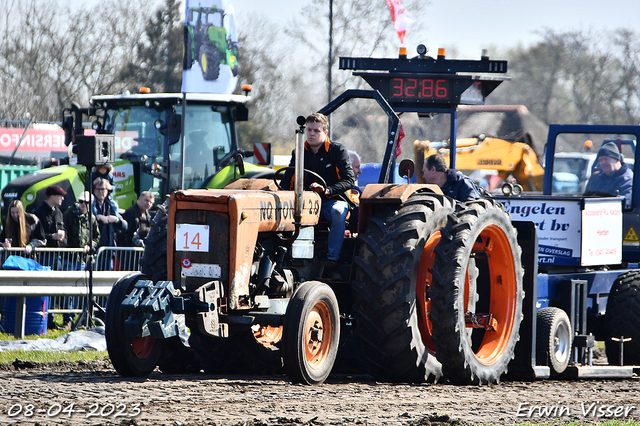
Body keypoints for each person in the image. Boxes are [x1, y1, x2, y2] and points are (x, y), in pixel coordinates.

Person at [281, 113, 355, 262]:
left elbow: (349, 179)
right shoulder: (299, 152)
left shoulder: (337, 150)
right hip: (304, 201)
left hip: (330, 200)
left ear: (325, 132)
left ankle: (332, 257)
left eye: (316, 131)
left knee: (338, 211)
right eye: (309, 130)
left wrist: (327, 190)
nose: (312, 134)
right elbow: (287, 179)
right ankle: (285, 254)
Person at [584, 141, 633, 207]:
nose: (603, 163)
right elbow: (584, 200)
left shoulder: (629, 181)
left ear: (617, 159)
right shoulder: (596, 178)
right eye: (600, 160)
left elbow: (624, 205)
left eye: (606, 159)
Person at [63, 191, 100, 263]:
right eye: (81, 201)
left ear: (91, 203)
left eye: (86, 202)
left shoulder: (91, 218)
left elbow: (97, 236)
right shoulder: (68, 214)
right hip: (69, 257)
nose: (83, 204)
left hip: (83, 258)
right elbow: (64, 231)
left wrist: (90, 246)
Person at [92, 178, 128, 250]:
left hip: (109, 248)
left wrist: (116, 220)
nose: (100, 191)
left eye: (103, 189)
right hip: (95, 248)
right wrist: (96, 218)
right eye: (98, 189)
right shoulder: (90, 205)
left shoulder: (111, 206)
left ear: (107, 191)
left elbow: (125, 226)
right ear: (94, 190)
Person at [33, 185, 68, 250]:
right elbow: (35, 235)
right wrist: (52, 236)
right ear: (52, 196)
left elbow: (63, 229)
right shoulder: (39, 213)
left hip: (60, 253)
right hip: (45, 254)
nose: (62, 198)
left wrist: (63, 234)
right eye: (60, 196)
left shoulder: (59, 212)